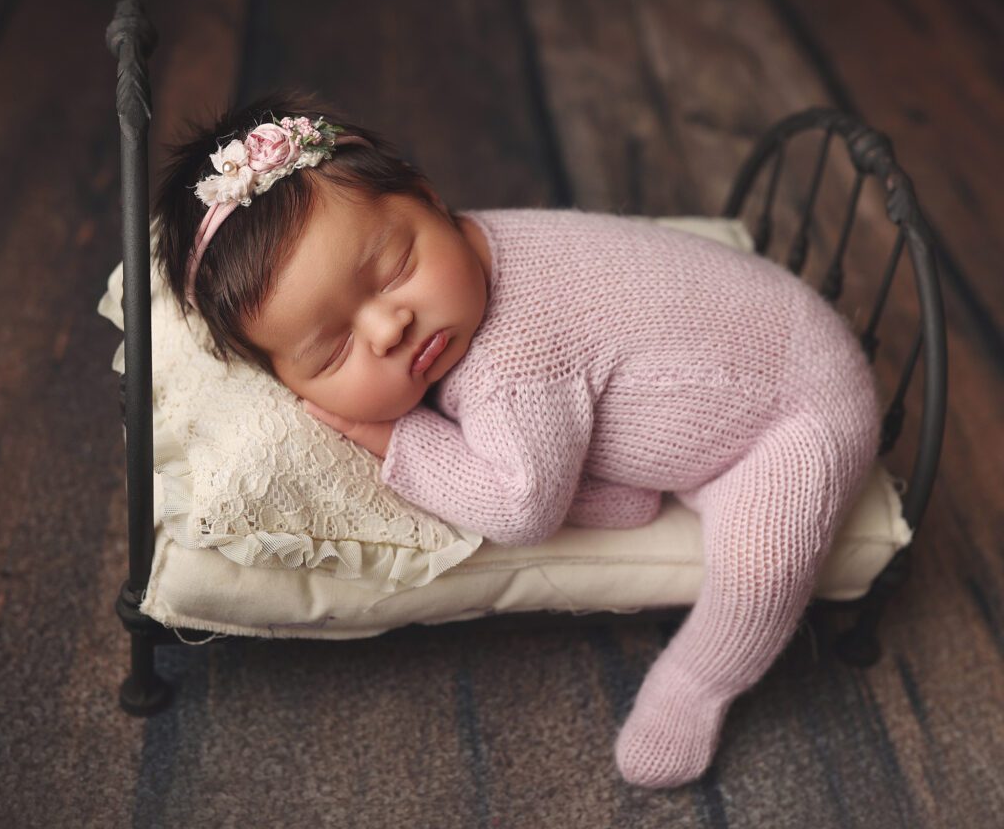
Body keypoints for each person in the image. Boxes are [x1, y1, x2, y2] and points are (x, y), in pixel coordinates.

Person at [154, 91, 882, 789]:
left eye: (396, 268)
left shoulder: (511, 367)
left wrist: (391, 436)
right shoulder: (470, 249)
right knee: (585, 448)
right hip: (739, 353)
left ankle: (698, 684)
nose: (388, 327)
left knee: (761, 572)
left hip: (795, 412)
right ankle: (630, 489)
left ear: (429, 197)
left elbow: (519, 508)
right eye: (332, 351)